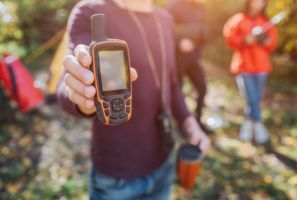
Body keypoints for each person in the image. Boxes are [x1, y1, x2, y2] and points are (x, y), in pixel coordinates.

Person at [57, 0, 210, 199]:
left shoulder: (165, 18)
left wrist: (189, 123)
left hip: (164, 163)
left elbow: (170, 84)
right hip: (116, 177)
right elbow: (67, 84)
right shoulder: (91, 11)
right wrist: (82, 96)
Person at [223, 0, 277, 144]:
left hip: (261, 67)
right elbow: (229, 38)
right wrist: (244, 40)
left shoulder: (266, 22)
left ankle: (247, 125)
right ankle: (258, 125)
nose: (258, 3)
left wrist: (266, 41)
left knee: (255, 100)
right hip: (244, 66)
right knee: (251, 98)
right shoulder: (238, 19)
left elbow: (272, 44)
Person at [167, 0, 212, 134]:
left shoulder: (200, 7)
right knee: (178, 91)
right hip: (177, 59)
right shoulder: (174, 5)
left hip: (194, 59)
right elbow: (164, 29)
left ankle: (197, 120)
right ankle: (180, 123)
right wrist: (179, 42)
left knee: (202, 89)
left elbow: (201, 29)